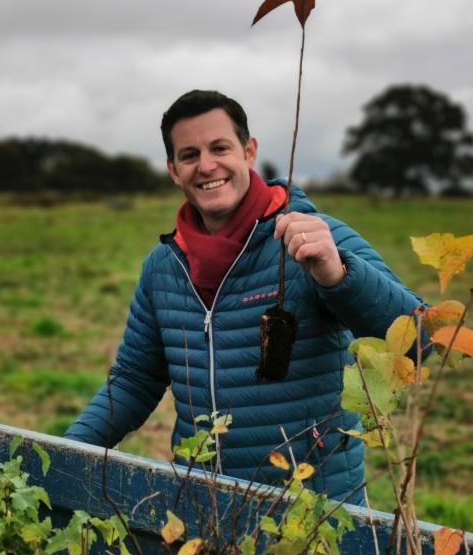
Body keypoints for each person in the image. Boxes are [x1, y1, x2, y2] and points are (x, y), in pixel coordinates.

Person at [64, 89, 422, 504]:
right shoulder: (164, 266)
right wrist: (64, 456)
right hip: (202, 510)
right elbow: (134, 381)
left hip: (311, 513)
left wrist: (337, 274)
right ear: (173, 171)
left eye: (220, 148)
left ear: (249, 152)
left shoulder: (313, 237)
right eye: (189, 155)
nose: (207, 165)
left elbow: (419, 339)